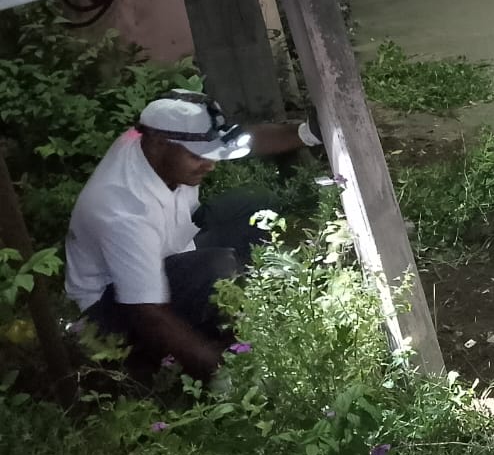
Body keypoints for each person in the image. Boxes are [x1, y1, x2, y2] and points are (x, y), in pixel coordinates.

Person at [65, 90, 324, 380]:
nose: (210, 164)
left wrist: (307, 133)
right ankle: (202, 355)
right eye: (199, 156)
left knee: (255, 206)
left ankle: (232, 310)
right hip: (114, 310)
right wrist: (225, 378)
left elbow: (239, 139)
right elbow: (147, 312)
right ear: (159, 144)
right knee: (217, 267)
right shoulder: (123, 210)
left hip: (172, 251)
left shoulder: (153, 139)